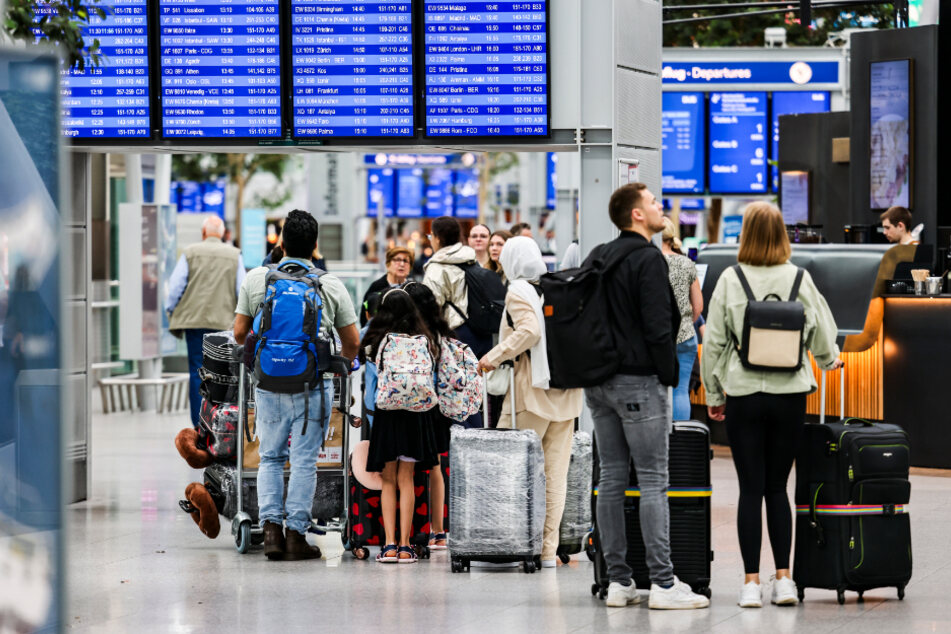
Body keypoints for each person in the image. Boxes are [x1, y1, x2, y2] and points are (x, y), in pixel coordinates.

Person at [700, 201, 842, 608]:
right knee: (778, 488)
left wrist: (713, 394)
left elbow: (715, 343)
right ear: (782, 235)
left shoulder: (730, 278)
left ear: (745, 235)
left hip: (744, 395)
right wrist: (830, 360)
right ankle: (784, 580)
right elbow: (822, 332)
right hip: (790, 396)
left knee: (750, 489)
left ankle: (749, 583)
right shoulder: (800, 277)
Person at [583, 182, 709, 610]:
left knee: (612, 479)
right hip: (639, 380)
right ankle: (663, 583)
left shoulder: (599, 255)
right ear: (637, 214)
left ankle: (618, 582)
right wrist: (670, 376)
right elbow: (661, 326)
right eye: (654, 202)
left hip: (599, 384)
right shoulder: (647, 257)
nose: (660, 207)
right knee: (654, 479)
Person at [233, 210, 359, 561]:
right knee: (305, 462)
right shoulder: (329, 284)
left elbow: (240, 333)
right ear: (315, 246)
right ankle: (296, 535)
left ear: (280, 241)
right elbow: (352, 340)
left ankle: (270, 529)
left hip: (269, 384)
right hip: (312, 386)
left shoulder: (258, 278)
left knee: (270, 457)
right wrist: (338, 367)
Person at [476, 236, 583, 569]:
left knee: (514, 470)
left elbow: (531, 331)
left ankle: (516, 543)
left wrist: (494, 355)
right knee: (555, 475)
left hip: (532, 393)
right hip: (567, 393)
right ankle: (547, 551)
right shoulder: (556, 287)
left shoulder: (518, 290)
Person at [361, 288, 441, 563]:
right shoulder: (424, 340)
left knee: (388, 479)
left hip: (388, 412)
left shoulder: (378, 340)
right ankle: (407, 546)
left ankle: (389, 545)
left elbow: (370, 369)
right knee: (408, 479)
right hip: (416, 413)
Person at [165, 216, 246, 429]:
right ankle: (221, 424)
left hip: (195, 322)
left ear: (203, 233)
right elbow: (242, 289)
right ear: (222, 235)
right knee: (224, 373)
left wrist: (171, 309)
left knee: (196, 372)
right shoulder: (234, 255)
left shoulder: (190, 253)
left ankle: (199, 425)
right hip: (224, 324)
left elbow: (175, 286)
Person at [423, 216, 492, 426]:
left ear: (436, 238)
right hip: (480, 334)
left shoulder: (438, 268)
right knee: (475, 395)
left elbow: (430, 311)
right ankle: (478, 442)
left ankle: (459, 451)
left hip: (455, 336)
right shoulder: (471, 259)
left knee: (456, 398)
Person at [402, 281, 454, 551]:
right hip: (439, 407)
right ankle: (438, 530)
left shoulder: (410, 334)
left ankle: (410, 529)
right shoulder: (440, 333)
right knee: (435, 467)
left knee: (407, 468)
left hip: (414, 405)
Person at [660, 218, 702, 421]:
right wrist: (685, 322)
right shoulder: (686, 263)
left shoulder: (649, 261)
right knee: (680, 391)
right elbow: (698, 306)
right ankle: (680, 439)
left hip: (657, 338)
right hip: (685, 337)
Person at [360, 247, 414, 327]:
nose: (402, 264)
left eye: (405, 261)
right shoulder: (376, 287)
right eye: (397, 260)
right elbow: (364, 319)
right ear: (388, 264)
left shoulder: (413, 288)